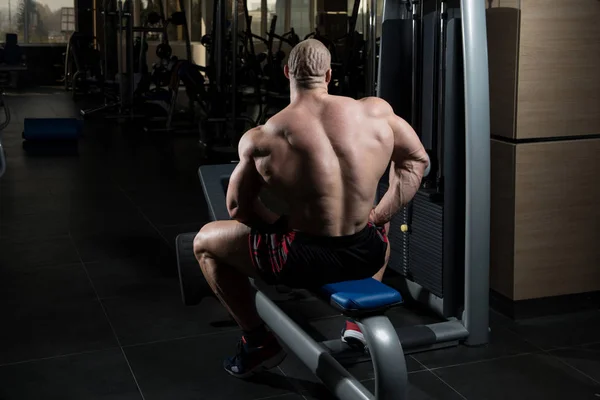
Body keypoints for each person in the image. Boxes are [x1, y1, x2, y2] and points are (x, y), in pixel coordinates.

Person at [193, 39, 429, 378]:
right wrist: (380, 214)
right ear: (329, 75)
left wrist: (278, 224)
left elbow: (237, 208)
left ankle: (257, 341)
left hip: (301, 260)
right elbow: (416, 161)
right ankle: (356, 326)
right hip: (367, 253)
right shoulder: (376, 112)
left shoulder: (263, 135)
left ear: (286, 72)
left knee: (205, 242)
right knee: (380, 231)